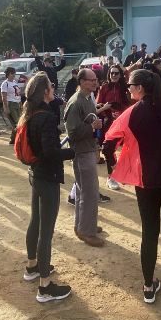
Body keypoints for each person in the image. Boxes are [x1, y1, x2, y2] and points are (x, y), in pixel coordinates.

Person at [104, 69, 161, 309]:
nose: (128, 90)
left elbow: (109, 141)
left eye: (130, 86)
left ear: (141, 88)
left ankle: (148, 288)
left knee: (150, 232)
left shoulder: (132, 113)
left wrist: (113, 162)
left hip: (148, 181)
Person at [18, 72, 74, 302]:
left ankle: (32, 266)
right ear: (45, 92)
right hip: (47, 176)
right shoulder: (47, 117)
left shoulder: (29, 113)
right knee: (46, 231)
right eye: (51, 86)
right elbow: (51, 152)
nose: (53, 88)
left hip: (35, 173)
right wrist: (73, 152)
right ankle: (45, 286)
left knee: (36, 221)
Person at [65, 68, 105, 247]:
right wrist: (92, 127)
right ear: (81, 82)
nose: (95, 82)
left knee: (84, 191)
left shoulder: (88, 98)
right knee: (89, 193)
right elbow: (72, 133)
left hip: (87, 149)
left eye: (96, 79)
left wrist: (94, 127)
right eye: (91, 80)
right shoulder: (76, 102)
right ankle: (86, 231)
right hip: (81, 152)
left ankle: (83, 226)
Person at [96, 63, 131, 191]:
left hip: (125, 123)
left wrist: (121, 113)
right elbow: (98, 104)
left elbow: (130, 105)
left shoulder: (125, 88)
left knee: (130, 149)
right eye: (112, 73)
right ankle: (111, 177)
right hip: (110, 123)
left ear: (120, 75)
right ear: (109, 74)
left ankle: (128, 173)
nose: (114, 75)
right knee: (108, 149)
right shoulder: (104, 87)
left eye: (117, 73)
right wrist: (108, 112)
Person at [0, 67, 23, 144]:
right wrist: (6, 108)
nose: (14, 75)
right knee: (17, 122)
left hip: (17, 103)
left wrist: (20, 104)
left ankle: (13, 139)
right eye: (12, 73)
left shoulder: (14, 82)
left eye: (14, 73)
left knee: (18, 122)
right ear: (8, 74)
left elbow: (18, 94)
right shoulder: (5, 84)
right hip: (11, 104)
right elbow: (4, 97)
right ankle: (18, 139)